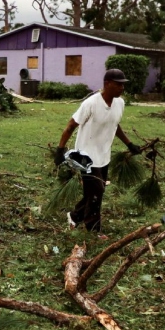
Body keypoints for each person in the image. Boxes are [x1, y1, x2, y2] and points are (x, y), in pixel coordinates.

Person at [53, 68, 141, 239]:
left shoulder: (120, 103)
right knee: (97, 191)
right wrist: (59, 150)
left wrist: (129, 144)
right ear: (107, 84)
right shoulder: (91, 104)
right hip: (85, 157)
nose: (122, 88)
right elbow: (70, 126)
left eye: (123, 85)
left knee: (93, 192)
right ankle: (93, 230)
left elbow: (114, 125)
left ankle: (75, 216)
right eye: (118, 84)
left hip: (104, 155)